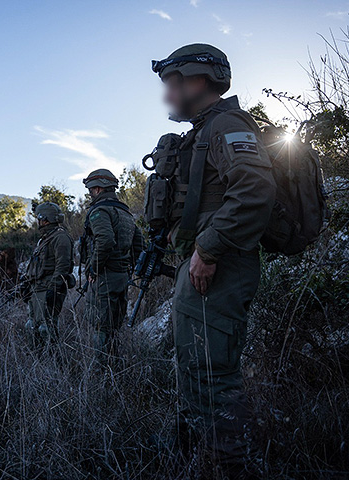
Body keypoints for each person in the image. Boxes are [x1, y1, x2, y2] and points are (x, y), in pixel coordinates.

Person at [151, 43, 276, 476]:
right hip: (204, 265)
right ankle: (196, 458)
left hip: (220, 266)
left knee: (213, 374)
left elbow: (255, 190)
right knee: (192, 365)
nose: (168, 95)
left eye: (172, 84)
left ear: (197, 79)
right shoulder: (203, 131)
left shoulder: (227, 124)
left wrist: (208, 249)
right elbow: (211, 200)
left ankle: (232, 467)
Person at [81, 169, 143, 362]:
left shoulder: (100, 211)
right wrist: (129, 269)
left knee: (101, 327)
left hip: (104, 277)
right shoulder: (125, 213)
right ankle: (115, 366)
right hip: (122, 277)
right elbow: (139, 245)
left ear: (98, 188)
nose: (90, 193)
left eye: (91, 189)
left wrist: (94, 268)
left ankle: (101, 373)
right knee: (115, 326)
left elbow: (105, 240)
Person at [24, 202, 74, 344]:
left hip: (49, 288)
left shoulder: (60, 237)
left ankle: (54, 361)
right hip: (38, 288)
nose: (38, 222)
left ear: (45, 219)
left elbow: (63, 265)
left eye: (39, 219)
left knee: (46, 328)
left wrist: (54, 288)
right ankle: (37, 361)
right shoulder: (45, 239)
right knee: (32, 326)